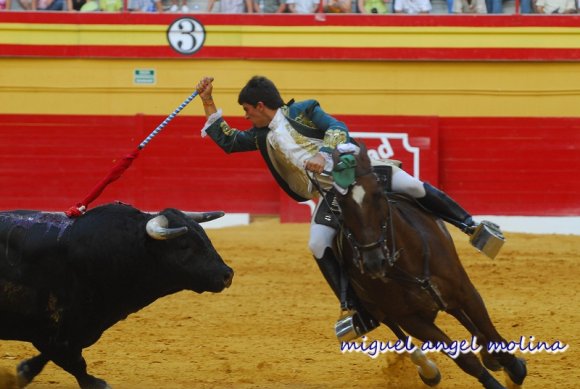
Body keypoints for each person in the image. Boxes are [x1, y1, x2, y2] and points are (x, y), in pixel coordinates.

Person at [195, 75, 487, 339]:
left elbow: (337, 128)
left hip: (359, 172)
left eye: (246, 110)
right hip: (330, 193)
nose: (245, 117)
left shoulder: (304, 110)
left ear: (260, 106)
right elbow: (228, 140)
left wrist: (324, 154)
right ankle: (354, 307)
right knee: (318, 243)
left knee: (412, 186)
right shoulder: (261, 136)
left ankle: (471, 226)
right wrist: (207, 101)